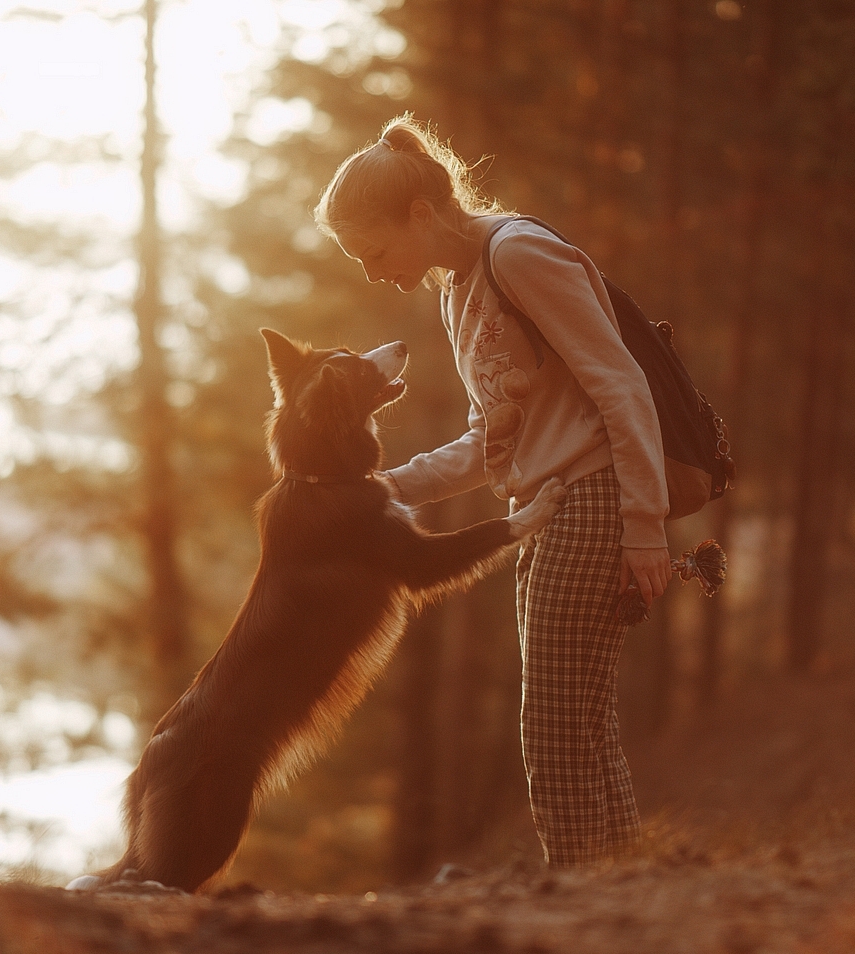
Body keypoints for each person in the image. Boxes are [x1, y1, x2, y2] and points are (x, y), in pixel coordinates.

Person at [315, 114, 672, 867]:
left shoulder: (521, 255)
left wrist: (645, 525)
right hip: (542, 511)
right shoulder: (457, 294)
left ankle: (580, 904)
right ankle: (622, 894)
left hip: (593, 497)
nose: (373, 272)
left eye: (374, 251)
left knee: (551, 726)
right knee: (580, 722)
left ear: (420, 214)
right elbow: (490, 441)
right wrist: (383, 488)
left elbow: (622, 387)